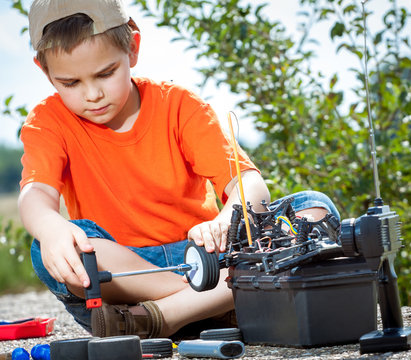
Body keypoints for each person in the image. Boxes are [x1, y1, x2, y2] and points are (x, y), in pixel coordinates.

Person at [19, 0, 340, 339]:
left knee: (314, 209)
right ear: (44, 70)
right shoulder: (48, 123)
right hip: (130, 279)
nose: (93, 94)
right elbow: (35, 194)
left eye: (105, 73)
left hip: (204, 257)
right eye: (71, 83)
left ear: (132, 48)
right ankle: (218, 303)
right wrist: (51, 227)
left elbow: (248, 183)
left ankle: (172, 314)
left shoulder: (179, 105)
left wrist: (222, 222)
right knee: (47, 246)